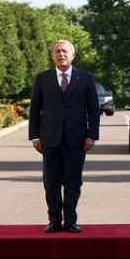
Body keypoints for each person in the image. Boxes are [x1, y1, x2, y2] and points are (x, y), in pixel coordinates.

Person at [28, 40, 100, 233]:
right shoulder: (42, 79)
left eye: (64, 51)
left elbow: (93, 109)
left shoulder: (85, 78)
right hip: (49, 140)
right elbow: (34, 110)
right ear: (52, 55)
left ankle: (70, 221)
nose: (61, 54)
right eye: (57, 51)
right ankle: (54, 220)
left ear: (73, 55)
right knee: (51, 182)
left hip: (77, 140)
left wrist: (92, 136)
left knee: (73, 182)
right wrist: (34, 136)